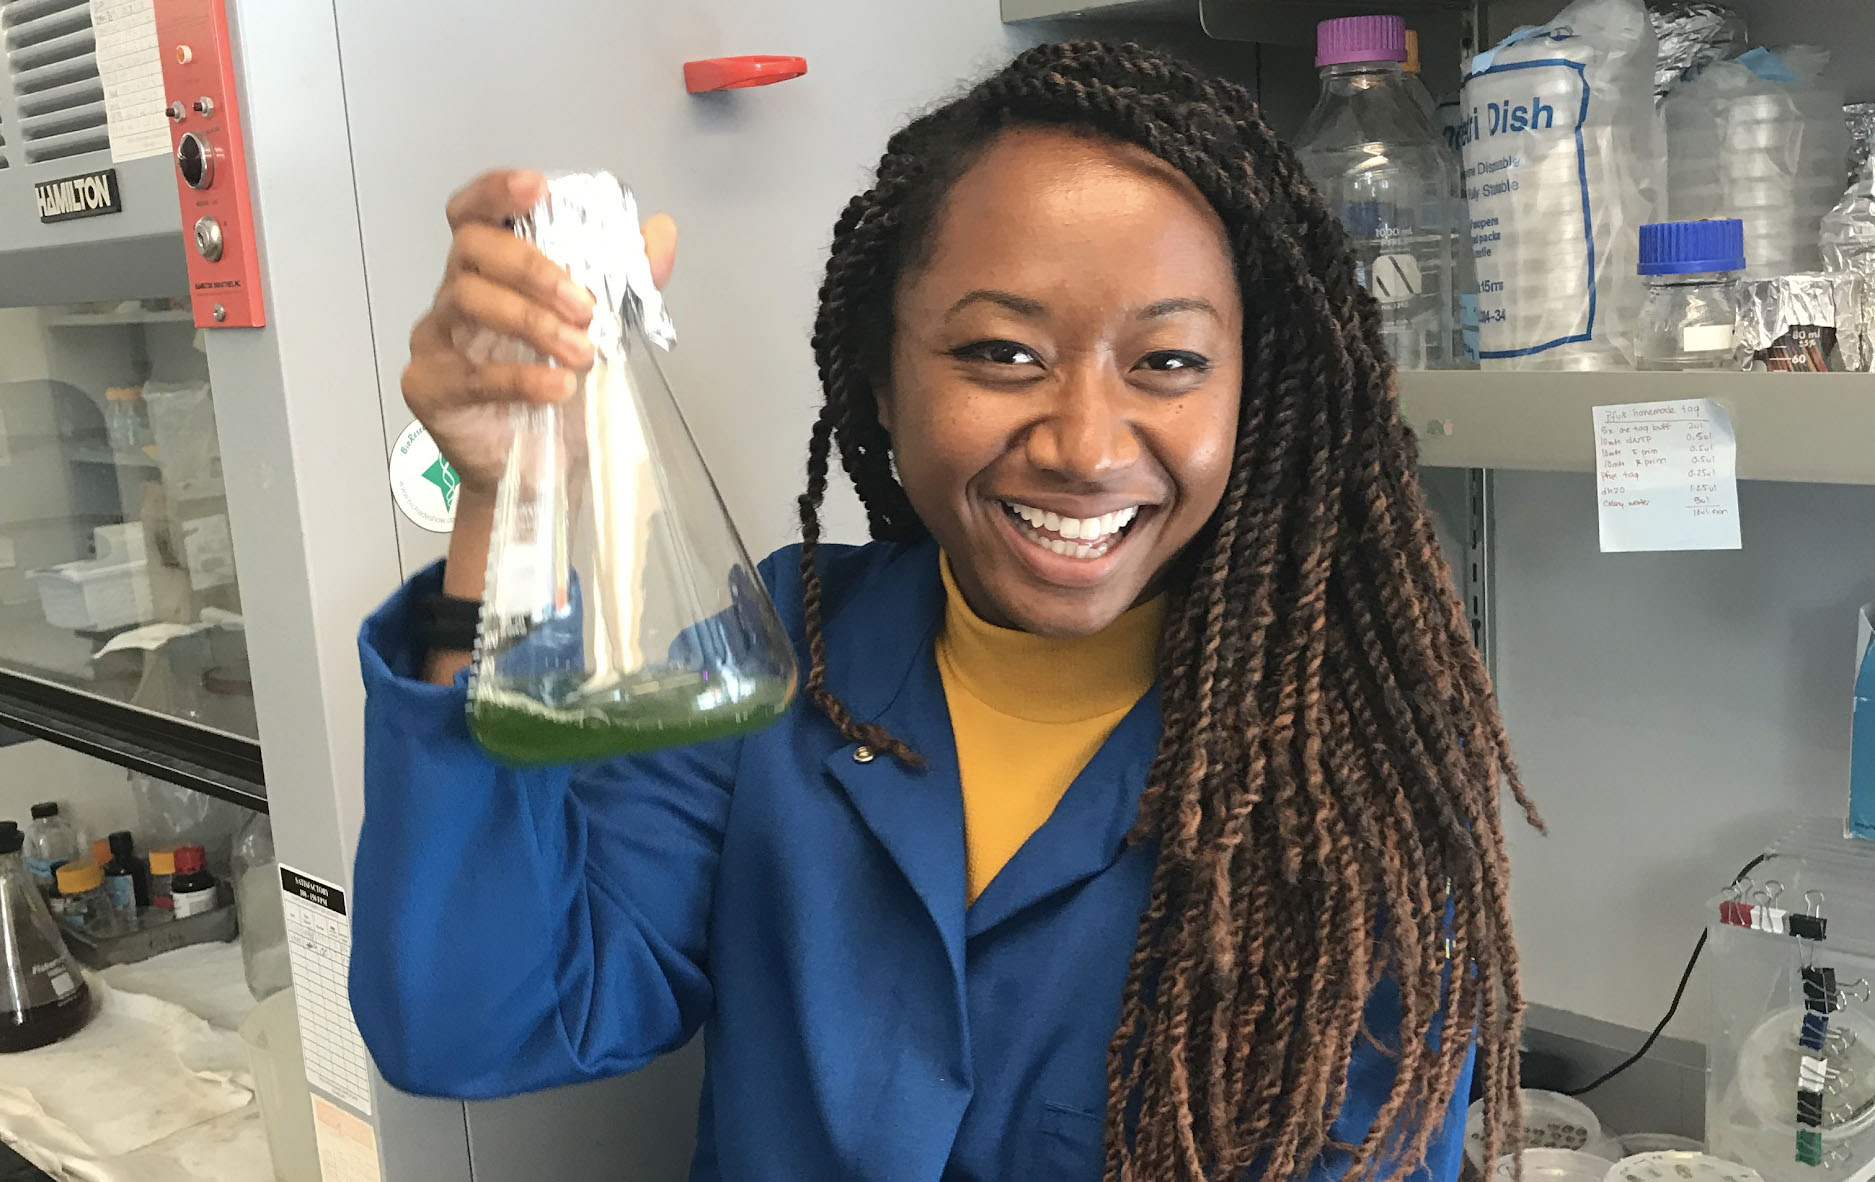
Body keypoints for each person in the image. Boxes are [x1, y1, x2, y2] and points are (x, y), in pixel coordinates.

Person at [352, 40, 1541, 1182]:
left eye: (1168, 363)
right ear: (883, 376)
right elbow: (475, 1019)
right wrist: (505, 505)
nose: (1083, 444)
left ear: (1252, 391)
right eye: (1001, 353)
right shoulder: (789, 656)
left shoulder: (1349, 778)